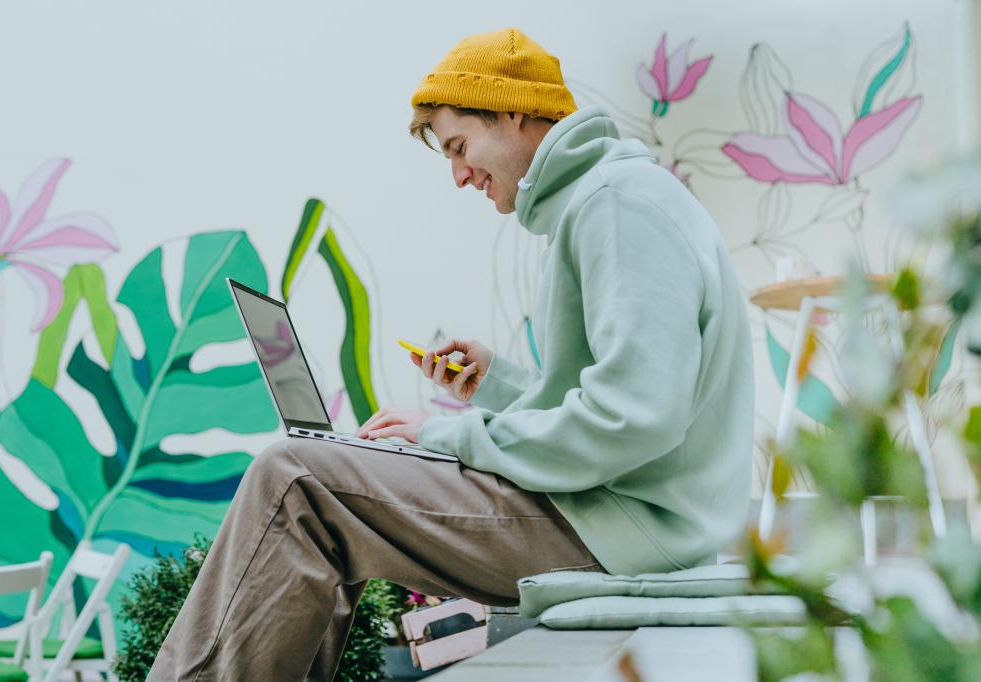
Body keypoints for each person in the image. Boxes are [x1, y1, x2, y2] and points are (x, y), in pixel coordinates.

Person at [147, 27, 753, 681]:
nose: (460, 175)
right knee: (322, 503)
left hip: (620, 530)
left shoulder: (616, 205)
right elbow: (623, 407)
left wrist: (446, 436)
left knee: (296, 477)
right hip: (620, 518)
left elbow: (633, 420)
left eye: (460, 148)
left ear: (515, 111)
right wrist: (497, 385)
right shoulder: (607, 202)